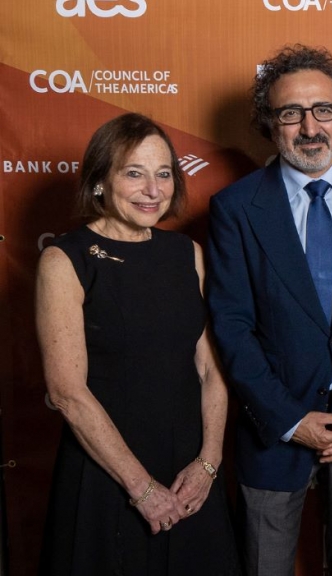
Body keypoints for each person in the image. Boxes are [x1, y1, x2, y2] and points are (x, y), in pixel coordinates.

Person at [206, 44, 332, 576]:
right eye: (290, 113)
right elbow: (233, 328)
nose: (309, 127)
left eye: (324, 110)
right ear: (270, 124)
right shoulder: (234, 209)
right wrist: (291, 421)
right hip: (273, 436)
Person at [36, 113, 238, 575]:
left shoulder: (186, 253)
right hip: (108, 475)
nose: (154, 189)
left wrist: (209, 462)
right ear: (100, 181)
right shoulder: (64, 259)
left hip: (190, 475)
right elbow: (67, 392)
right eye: (134, 173)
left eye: (164, 173)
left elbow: (211, 369)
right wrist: (141, 489)